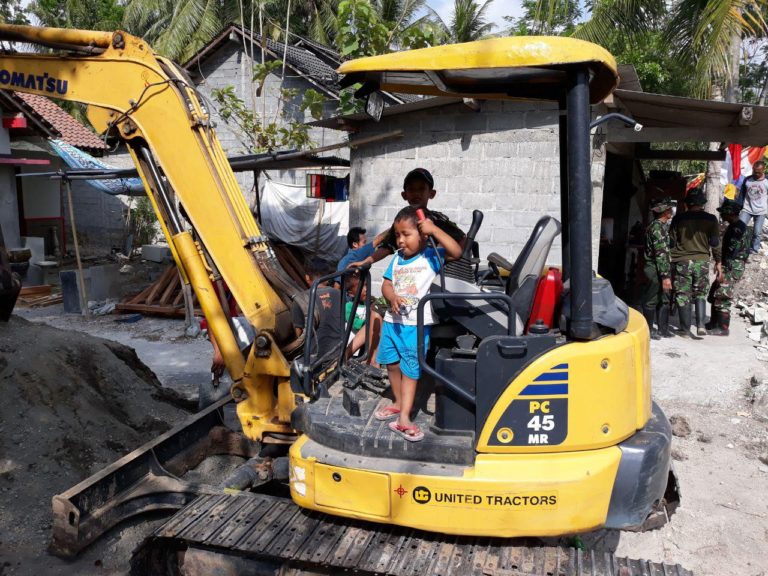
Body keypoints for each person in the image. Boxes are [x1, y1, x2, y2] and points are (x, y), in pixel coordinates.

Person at [374, 206, 462, 442]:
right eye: (398, 235)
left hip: (415, 325)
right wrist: (391, 296)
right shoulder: (397, 259)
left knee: (410, 370)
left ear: (422, 234)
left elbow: (456, 251)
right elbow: (386, 284)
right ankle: (398, 401)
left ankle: (404, 417)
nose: (400, 241)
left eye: (406, 234)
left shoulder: (431, 256)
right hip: (393, 322)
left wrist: (434, 229)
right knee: (391, 364)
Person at [352, 168, 466, 268]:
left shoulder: (437, 219)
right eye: (411, 190)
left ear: (431, 193)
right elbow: (387, 247)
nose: (416, 193)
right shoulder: (402, 221)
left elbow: (463, 238)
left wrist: (447, 261)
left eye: (421, 189)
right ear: (404, 195)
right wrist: (367, 261)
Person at [670, 187, 721, 338]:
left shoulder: (678, 218)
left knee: (683, 294)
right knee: (700, 293)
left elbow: (672, 242)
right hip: (702, 261)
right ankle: (700, 325)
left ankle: (685, 330)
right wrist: (718, 261)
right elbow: (715, 243)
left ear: (687, 203)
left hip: (682, 260)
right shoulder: (711, 219)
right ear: (702, 203)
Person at [707, 199, 751, 335]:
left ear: (731, 213)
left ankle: (723, 328)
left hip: (732, 265)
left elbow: (732, 252)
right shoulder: (735, 226)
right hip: (730, 264)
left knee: (722, 296)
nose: (722, 216)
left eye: (724, 213)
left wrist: (723, 269)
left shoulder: (738, 229)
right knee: (714, 294)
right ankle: (714, 323)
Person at [291, 258, 343, 360]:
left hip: (314, 358)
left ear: (307, 277)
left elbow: (299, 336)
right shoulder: (338, 294)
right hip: (338, 353)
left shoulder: (300, 300)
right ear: (327, 278)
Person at [642, 196, 675, 339]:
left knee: (665, 298)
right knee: (652, 299)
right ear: (663, 212)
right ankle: (648, 330)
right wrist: (665, 277)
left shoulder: (662, 227)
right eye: (668, 208)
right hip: (655, 269)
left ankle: (663, 329)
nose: (671, 210)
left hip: (661, 268)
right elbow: (660, 254)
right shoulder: (657, 228)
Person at [343, 272, 384, 365]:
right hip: (356, 348)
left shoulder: (371, 302)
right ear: (351, 294)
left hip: (368, 343)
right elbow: (357, 325)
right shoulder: (349, 307)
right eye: (361, 287)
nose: (366, 289)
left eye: (366, 285)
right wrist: (371, 318)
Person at [738, 160, 768, 254]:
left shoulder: (767, 181)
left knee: (757, 232)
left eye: (759, 172)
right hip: (747, 209)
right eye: (755, 171)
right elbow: (742, 195)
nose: (756, 173)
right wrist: (738, 206)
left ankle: (754, 249)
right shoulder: (747, 180)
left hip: (761, 211)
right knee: (739, 228)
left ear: (764, 169)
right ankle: (740, 247)